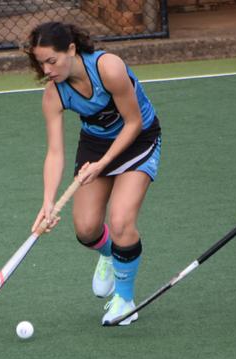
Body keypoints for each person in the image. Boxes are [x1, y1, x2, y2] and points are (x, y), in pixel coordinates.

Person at [25, 22, 162, 326]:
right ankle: (112, 255)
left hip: (138, 139)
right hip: (95, 145)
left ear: (71, 49)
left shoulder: (108, 68)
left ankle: (125, 301)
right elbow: (55, 153)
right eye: (41, 63)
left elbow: (133, 122)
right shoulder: (54, 95)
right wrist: (47, 202)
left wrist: (103, 165)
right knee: (87, 229)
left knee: (121, 220)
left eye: (52, 60)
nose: (47, 69)